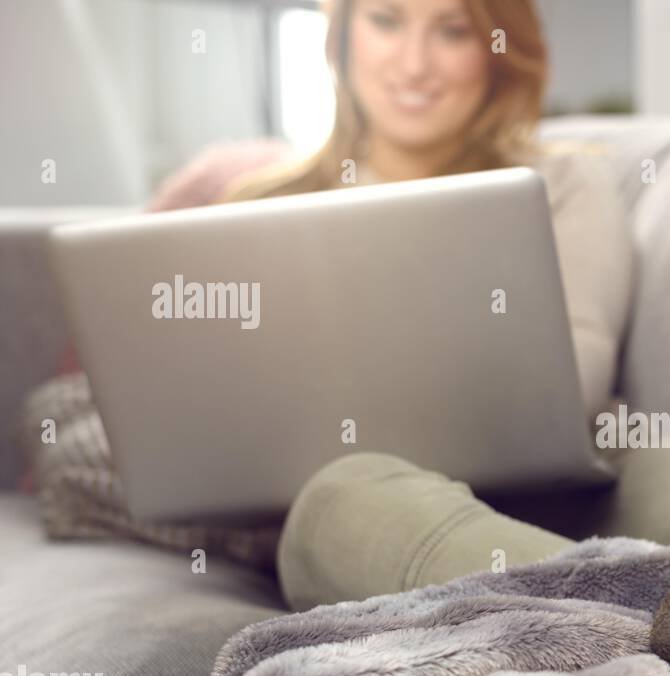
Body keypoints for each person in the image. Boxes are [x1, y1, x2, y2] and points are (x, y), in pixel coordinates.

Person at [22, 0, 635, 573]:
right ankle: (607, 613)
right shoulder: (260, 206)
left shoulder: (563, 180)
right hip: (339, 507)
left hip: (539, 492)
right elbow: (188, 410)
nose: (414, 63)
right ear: (341, 40)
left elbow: (577, 379)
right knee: (345, 495)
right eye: (386, 21)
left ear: (499, 47)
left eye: (453, 30)